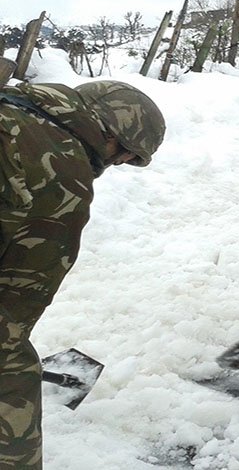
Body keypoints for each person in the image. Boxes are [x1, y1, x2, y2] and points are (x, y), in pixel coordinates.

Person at [0, 69, 166, 469]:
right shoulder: (64, 176)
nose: (120, 163)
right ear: (110, 135)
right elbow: (13, 306)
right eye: (125, 155)